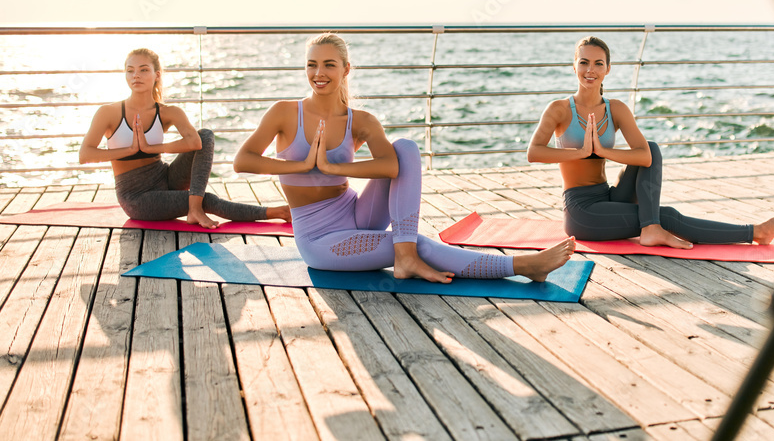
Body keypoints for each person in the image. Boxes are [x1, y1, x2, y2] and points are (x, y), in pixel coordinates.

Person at [233, 32, 575, 283]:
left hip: (357, 213)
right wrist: (304, 165)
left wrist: (335, 167)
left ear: (346, 69)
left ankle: (405, 252)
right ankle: (520, 266)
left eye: (328, 65)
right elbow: (243, 160)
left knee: (406, 147)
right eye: (311, 65)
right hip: (318, 240)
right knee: (418, 245)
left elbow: (393, 166)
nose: (319, 73)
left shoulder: (360, 121)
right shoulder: (284, 113)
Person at [527, 35, 774, 249]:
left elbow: (645, 157)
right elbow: (533, 152)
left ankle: (651, 226)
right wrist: (582, 152)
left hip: (609, 195)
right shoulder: (560, 109)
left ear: (608, 69)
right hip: (581, 211)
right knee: (665, 216)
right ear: (574, 66)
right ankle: (756, 232)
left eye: (598, 63)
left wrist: (604, 151)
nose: (590, 70)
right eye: (584, 62)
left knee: (652, 147)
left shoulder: (616, 109)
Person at [79, 48, 289, 229]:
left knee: (205, 135)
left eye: (144, 70)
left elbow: (195, 143)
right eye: (130, 70)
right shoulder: (109, 112)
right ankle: (278, 212)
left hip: (164, 177)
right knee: (207, 199)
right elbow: (85, 154)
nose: (136, 76)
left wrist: (152, 148)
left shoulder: (168, 112)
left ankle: (194, 208)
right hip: (136, 197)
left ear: (157, 75)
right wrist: (132, 149)